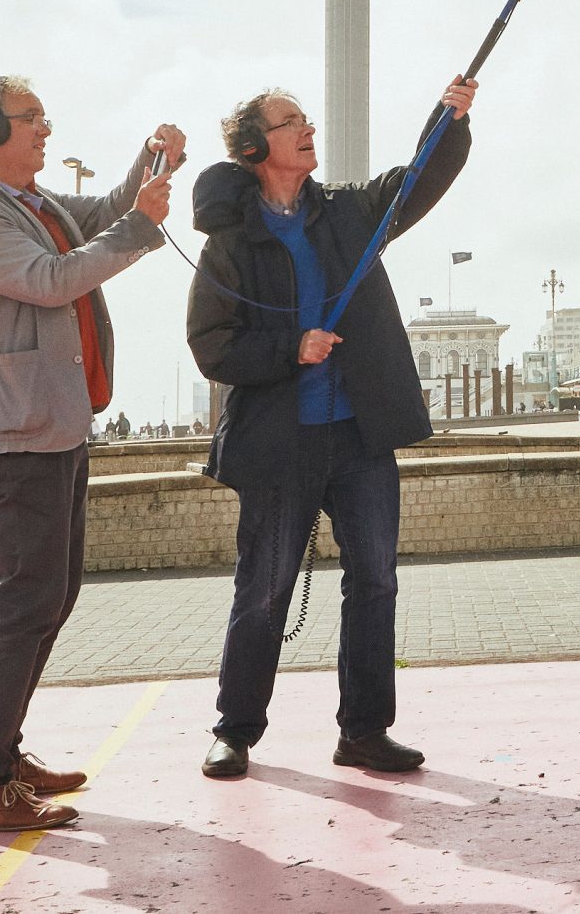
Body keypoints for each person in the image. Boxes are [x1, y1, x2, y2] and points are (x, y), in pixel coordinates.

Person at [187, 78, 476, 780]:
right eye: (290, 123)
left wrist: (449, 118)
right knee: (264, 587)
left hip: (359, 434)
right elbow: (210, 343)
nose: (307, 129)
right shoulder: (230, 244)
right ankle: (235, 730)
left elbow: (417, 181)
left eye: (307, 118)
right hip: (279, 443)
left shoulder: (349, 210)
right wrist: (292, 347)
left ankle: (365, 730)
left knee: (375, 578)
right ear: (256, 147)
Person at [0, 76, 180, 830]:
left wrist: (148, 164)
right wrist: (141, 227)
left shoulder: (30, 202)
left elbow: (97, 219)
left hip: (51, 425)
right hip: (11, 435)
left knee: (50, 595)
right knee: (27, 601)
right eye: (32, 117)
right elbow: (50, 279)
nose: (45, 128)